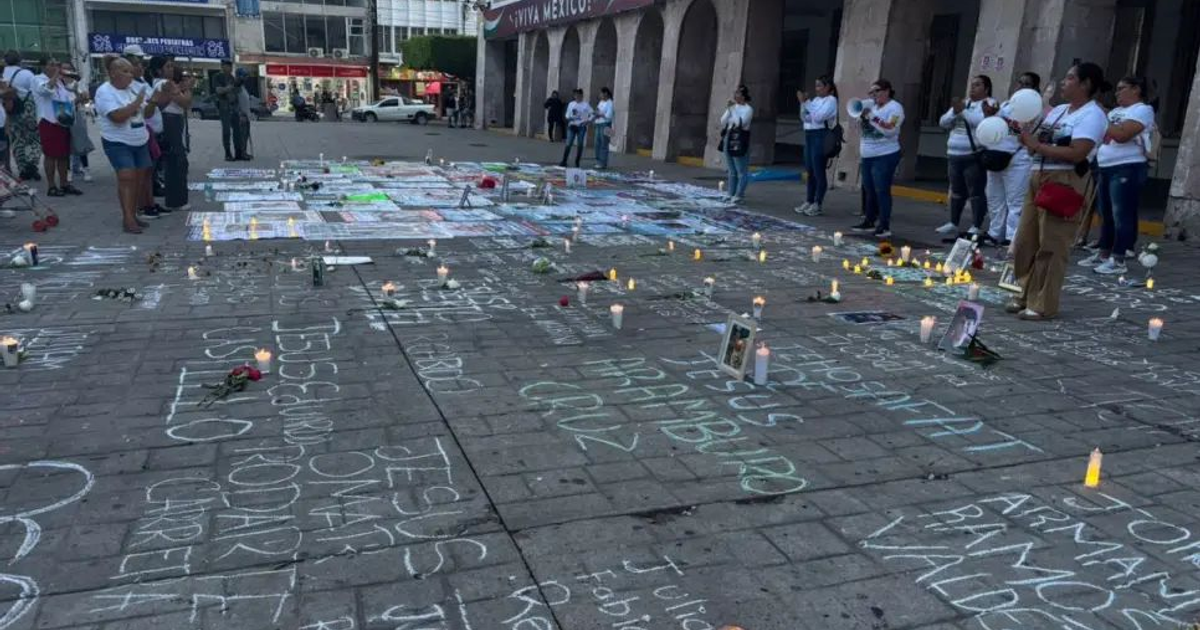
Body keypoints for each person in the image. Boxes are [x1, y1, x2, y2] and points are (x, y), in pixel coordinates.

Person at [1009, 62, 1109, 321]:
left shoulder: (1093, 115)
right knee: (1024, 240)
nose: (1064, 83)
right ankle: (1022, 292)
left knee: (1052, 243)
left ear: (1085, 84)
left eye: (1069, 78)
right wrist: (1025, 137)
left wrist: (1037, 146)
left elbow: (1078, 152)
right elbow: (1036, 143)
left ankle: (1042, 303)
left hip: (1064, 180)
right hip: (1037, 174)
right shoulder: (1060, 111)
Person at [1078, 76, 1155, 275]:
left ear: (1136, 89)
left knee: (1122, 214)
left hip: (1127, 166)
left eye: (1122, 88)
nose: (1117, 93)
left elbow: (1122, 135)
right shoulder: (1115, 112)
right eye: (1117, 89)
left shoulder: (1142, 110)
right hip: (1105, 165)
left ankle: (1119, 257)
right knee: (1106, 213)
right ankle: (1104, 252)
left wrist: (1102, 117)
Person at [94, 58, 151, 234]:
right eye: (125, 71)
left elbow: (148, 112)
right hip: (118, 140)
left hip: (140, 139)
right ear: (112, 73)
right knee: (127, 176)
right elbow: (117, 117)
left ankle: (133, 214)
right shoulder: (104, 91)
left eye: (130, 71)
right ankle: (127, 219)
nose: (130, 75)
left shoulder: (133, 87)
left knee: (139, 179)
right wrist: (136, 103)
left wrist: (155, 100)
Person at [984, 72, 1042, 247]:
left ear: (1034, 88)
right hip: (996, 155)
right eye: (1020, 82)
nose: (1022, 86)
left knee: (1015, 201)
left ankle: (1012, 237)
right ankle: (995, 233)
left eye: (1027, 84)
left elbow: (1023, 130)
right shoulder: (1006, 105)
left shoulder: (1035, 107)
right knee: (994, 197)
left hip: (1018, 158)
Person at [937, 75, 996, 238]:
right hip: (954, 154)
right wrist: (954, 113)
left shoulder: (989, 104)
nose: (972, 88)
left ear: (986, 88)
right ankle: (953, 222)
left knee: (975, 191)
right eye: (972, 85)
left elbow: (981, 122)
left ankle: (976, 225)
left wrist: (961, 111)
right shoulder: (964, 103)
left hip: (973, 155)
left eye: (977, 85)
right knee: (956, 190)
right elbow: (943, 122)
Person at [852, 79, 905, 238]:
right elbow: (859, 126)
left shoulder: (895, 108)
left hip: (885, 155)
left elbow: (890, 130)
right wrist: (861, 116)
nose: (873, 95)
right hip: (868, 154)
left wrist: (872, 117)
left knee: (881, 190)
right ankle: (869, 220)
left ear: (887, 91)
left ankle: (884, 225)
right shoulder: (872, 106)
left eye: (876, 91)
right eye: (871, 92)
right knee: (868, 189)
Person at [31, 58, 80, 196]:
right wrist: (56, 76)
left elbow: (67, 100)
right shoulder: (37, 79)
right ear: (43, 67)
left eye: (57, 64)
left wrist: (78, 97)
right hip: (48, 121)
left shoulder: (60, 82)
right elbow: (46, 90)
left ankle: (64, 184)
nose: (56, 67)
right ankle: (52, 186)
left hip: (63, 120)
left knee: (64, 155)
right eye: (52, 65)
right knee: (51, 155)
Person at [150, 56, 193, 212]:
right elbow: (185, 102)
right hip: (170, 121)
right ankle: (176, 200)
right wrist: (187, 88)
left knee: (176, 159)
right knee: (176, 160)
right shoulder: (164, 84)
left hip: (173, 120)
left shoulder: (165, 84)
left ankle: (176, 198)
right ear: (158, 70)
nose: (171, 69)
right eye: (168, 67)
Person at [796, 75, 839, 216]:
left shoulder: (831, 100)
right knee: (810, 170)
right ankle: (809, 200)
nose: (817, 89)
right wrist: (804, 104)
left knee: (818, 170)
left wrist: (806, 103)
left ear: (827, 87)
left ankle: (817, 203)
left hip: (821, 135)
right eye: (816, 86)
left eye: (820, 86)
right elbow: (806, 117)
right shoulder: (815, 100)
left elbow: (819, 117)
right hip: (809, 134)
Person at [3, 50, 41, 180]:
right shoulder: (26, 73)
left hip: (11, 110)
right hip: (27, 108)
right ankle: (32, 164)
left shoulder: (2, 73)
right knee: (34, 138)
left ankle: (22, 168)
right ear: (19, 60)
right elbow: (35, 89)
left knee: (17, 140)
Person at [720, 84, 754, 204]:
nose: (736, 95)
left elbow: (740, 123)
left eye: (738, 93)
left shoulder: (748, 109)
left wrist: (732, 111)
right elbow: (723, 121)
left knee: (741, 169)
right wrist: (729, 109)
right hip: (729, 137)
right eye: (735, 93)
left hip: (739, 138)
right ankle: (730, 192)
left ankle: (739, 194)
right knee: (731, 169)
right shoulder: (733, 107)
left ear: (744, 96)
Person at [64, 63, 94, 183]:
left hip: (77, 115)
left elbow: (86, 99)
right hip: (63, 115)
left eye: (68, 69)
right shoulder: (59, 84)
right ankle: (68, 170)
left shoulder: (78, 83)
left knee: (81, 141)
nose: (66, 72)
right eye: (64, 69)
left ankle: (85, 169)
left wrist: (80, 97)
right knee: (66, 143)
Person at [211, 60, 243, 160]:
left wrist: (238, 86)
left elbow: (237, 93)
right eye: (227, 66)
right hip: (224, 106)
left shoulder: (232, 78)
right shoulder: (218, 77)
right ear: (222, 66)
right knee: (226, 131)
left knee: (237, 131)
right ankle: (228, 153)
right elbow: (218, 90)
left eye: (230, 66)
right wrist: (230, 87)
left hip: (234, 106)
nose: (229, 68)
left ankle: (239, 153)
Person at [559, 88, 593, 168]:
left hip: (581, 126)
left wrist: (587, 121)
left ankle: (577, 161)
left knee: (580, 144)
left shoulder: (585, 105)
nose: (577, 97)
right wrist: (568, 118)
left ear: (581, 96)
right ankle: (564, 160)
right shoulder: (571, 104)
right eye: (575, 95)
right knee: (568, 143)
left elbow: (592, 113)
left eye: (579, 95)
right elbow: (567, 114)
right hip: (572, 125)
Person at [235, 69, 254, 160]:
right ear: (239, 77)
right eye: (244, 76)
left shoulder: (242, 87)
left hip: (246, 115)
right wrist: (240, 113)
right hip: (241, 116)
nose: (246, 78)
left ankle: (244, 152)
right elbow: (234, 102)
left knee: (245, 135)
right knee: (242, 136)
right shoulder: (236, 88)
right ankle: (241, 154)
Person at [594, 87, 614, 170]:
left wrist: (600, 114)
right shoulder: (601, 102)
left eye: (601, 93)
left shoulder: (610, 103)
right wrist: (596, 113)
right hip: (598, 124)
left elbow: (608, 116)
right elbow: (597, 110)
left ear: (605, 93)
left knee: (604, 144)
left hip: (606, 125)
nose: (600, 95)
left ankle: (603, 163)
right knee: (597, 143)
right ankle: (598, 161)